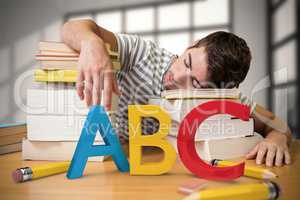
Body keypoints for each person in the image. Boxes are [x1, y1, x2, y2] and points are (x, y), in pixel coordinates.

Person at [61, 19, 293, 167]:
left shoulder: (222, 97)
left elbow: (277, 125)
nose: (178, 76)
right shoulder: (142, 54)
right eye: (187, 61)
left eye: (195, 83)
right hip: (107, 161)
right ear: (192, 45)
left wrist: (277, 138)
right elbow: (72, 27)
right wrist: (92, 43)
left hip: (164, 171)